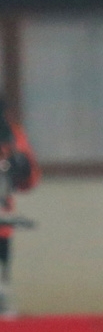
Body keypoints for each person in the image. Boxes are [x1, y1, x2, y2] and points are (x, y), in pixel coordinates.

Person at [0, 97, 40, 313]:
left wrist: (22, 168)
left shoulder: (11, 135)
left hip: (2, 231)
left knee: (2, 294)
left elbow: (30, 179)